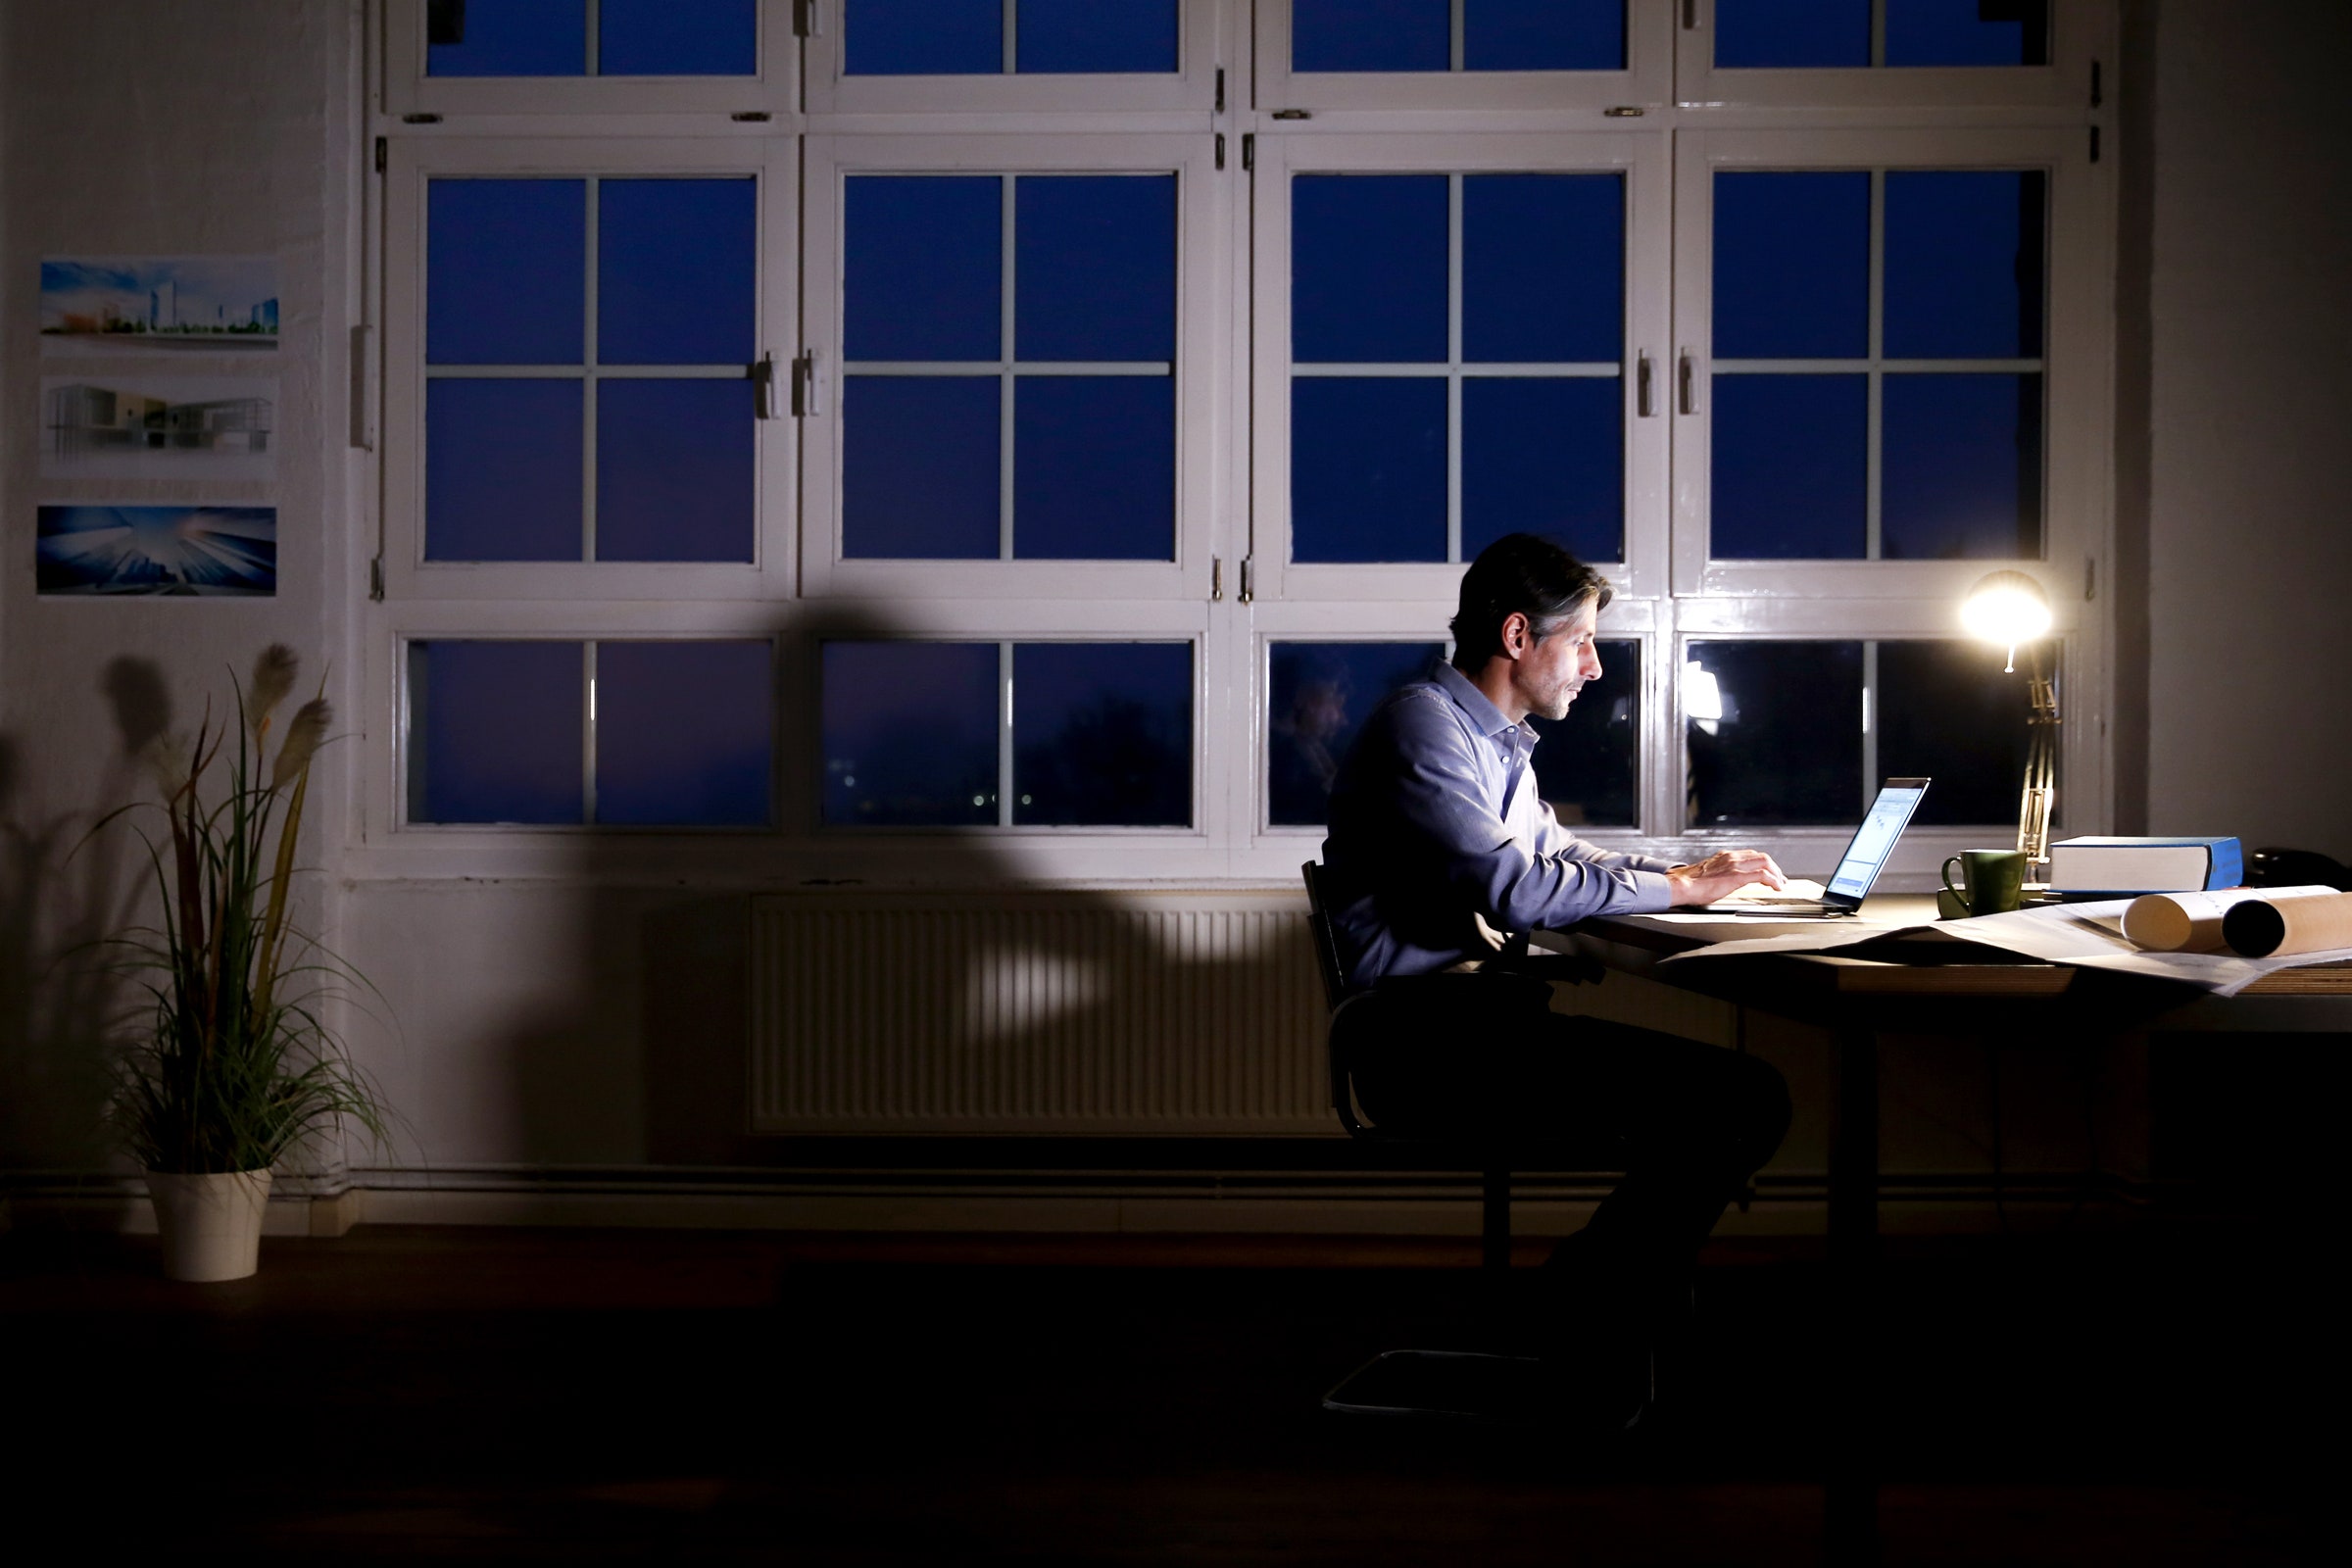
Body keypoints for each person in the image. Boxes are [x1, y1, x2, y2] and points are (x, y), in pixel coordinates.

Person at [1318, 532, 1793, 1419]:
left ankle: (1596, 1308)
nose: (1595, 666)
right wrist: (1685, 889)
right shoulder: (1424, 726)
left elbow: (1558, 853)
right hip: (1421, 1042)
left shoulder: (1490, 738)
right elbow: (1515, 884)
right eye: (1581, 641)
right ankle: (1588, 1309)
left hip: (1469, 1021)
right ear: (1515, 638)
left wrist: (1685, 872)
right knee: (1742, 1101)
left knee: (1735, 1101)